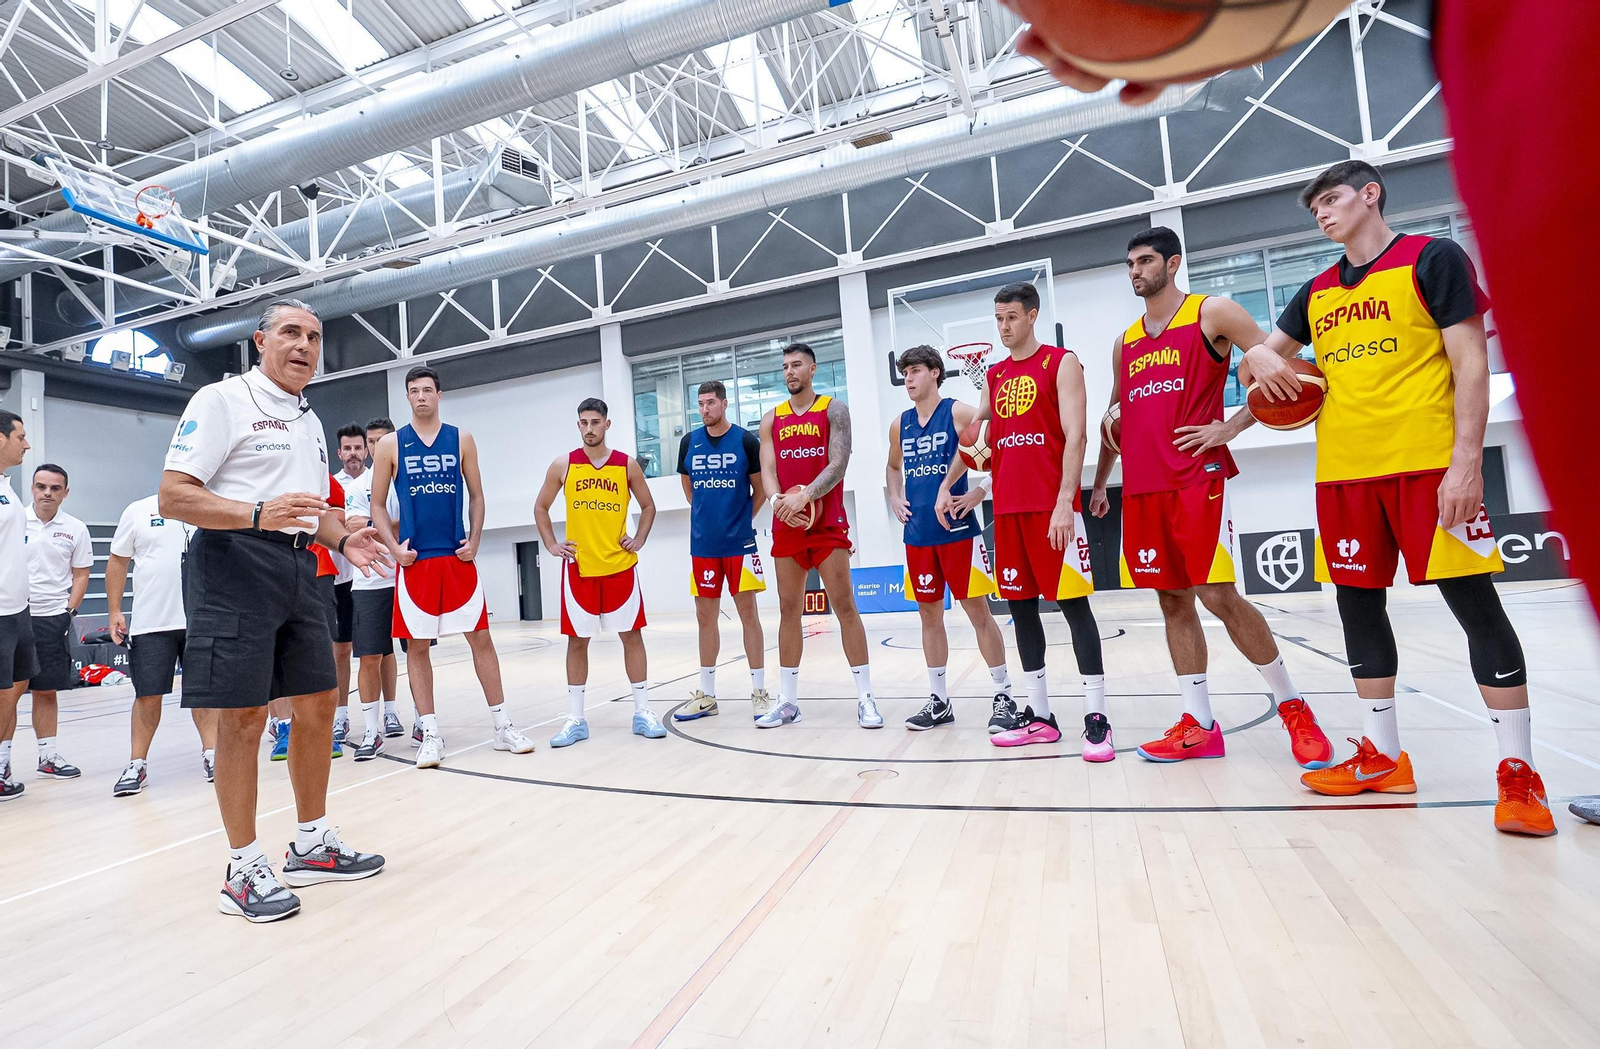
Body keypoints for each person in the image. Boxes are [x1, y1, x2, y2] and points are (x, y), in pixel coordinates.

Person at [1237, 161, 1549, 836]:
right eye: (1314, 207)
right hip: (1345, 474)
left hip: (1429, 465)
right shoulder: (1315, 291)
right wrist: (1258, 358)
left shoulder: (1432, 259)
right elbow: (1259, 361)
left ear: (1369, 194)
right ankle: (1381, 757)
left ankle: (1519, 774)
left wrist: (1467, 462)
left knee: (1476, 607)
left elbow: (1471, 363)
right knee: (1358, 611)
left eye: (1331, 200)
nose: (1321, 214)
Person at [160, 298, 388, 922]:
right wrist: (254, 515)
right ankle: (241, 868)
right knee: (242, 720)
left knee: (319, 704)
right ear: (260, 341)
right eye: (290, 333)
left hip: (298, 568)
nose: (304, 346)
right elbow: (174, 495)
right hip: (232, 563)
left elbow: (311, 513)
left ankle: (311, 842)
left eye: (314, 337)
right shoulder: (221, 400)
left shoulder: (310, 420)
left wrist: (343, 537)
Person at [1089, 227, 1333, 769]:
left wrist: (1231, 427)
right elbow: (1115, 417)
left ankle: (1294, 707)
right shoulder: (1125, 341)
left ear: (1173, 263)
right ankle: (1199, 723)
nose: (1135, 271)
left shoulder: (1213, 312)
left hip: (1198, 479)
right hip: (1145, 487)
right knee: (1172, 600)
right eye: (1129, 263)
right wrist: (1104, 479)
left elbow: (1277, 370)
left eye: (1145, 261)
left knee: (1217, 594)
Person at [939, 283, 1107, 752]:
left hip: (1052, 508)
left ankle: (1097, 715)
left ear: (1032, 315)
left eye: (1012, 317)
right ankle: (1040, 714)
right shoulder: (993, 376)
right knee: (1020, 609)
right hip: (1007, 510)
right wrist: (949, 486)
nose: (1004, 326)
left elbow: (1077, 437)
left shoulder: (1062, 362)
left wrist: (1063, 501)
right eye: (998, 319)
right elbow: (977, 439)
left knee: (1075, 608)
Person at [369, 366, 536, 769]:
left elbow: (477, 496)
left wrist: (475, 539)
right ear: (407, 397)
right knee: (418, 647)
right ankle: (430, 733)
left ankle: (502, 726)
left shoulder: (462, 438)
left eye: (428, 390)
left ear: (439, 395)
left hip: (457, 556)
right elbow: (376, 505)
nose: (421, 396)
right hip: (416, 562)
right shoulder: (391, 445)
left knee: (481, 639)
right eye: (414, 391)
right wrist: (393, 548)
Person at [886, 345, 1013, 732]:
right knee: (929, 616)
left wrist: (980, 491)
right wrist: (894, 495)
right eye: (905, 372)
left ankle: (1003, 693)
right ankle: (939, 700)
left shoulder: (957, 412)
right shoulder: (900, 424)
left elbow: (997, 450)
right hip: (918, 534)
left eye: (916, 370)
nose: (908, 378)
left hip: (958, 530)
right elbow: (892, 467)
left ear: (936, 373)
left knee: (978, 614)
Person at [757, 344, 881, 730]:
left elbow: (838, 462)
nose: (790, 371)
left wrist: (805, 496)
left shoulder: (832, 409)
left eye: (796, 365)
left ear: (812, 369)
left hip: (826, 524)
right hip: (786, 523)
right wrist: (779, 501)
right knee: (788, 610)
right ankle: (788, 701)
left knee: (845, 606)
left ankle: (865, 698)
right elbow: (768, 469)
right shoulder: (769, 418)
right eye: (785, 367)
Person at [534, 398, 664, 746]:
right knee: (577, 642)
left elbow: (649, 506)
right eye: (583, 422)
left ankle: (642, 711)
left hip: (620, 565)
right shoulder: (564, 464)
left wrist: (639, 538)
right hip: (580, 567)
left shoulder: (626, 465)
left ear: (607, 424)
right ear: (578, 426)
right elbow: (541, 507)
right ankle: (576, 719)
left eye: (595, 422)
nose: (589, 428)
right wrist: (550, 544)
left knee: (631, 636)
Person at [106, 493, 216, 795]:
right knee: (147, 695)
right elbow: (117, 561)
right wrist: (115, 610)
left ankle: (213, 755)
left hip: (201, 620)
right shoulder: (138, 509)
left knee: (204, 695)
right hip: (151, 622)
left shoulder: (210, 507)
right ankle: (136, 763)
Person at [675, 381, 770, 722]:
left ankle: (759, 691)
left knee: (749, 616)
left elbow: (760, 488)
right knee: (705, 618)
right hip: (702, 545)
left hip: (739, 544)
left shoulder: (746, 440)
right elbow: (689, 489)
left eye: (711, 402)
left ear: (724, 404)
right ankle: (708, 695)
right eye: (700, 403)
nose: (705, 409)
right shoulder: (689, 442)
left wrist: (742, 518)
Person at [268, 472, 348, 763]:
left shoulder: (316, 468)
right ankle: (284, 727)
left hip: (316, 568)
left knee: (319, 651)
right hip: (265, 567)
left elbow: (337, 514)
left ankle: (320, 727)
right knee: (272, 650)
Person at [22, 463, 92, 779]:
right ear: (32, 488)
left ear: (65, 493)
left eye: (54, 488)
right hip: (13, 616)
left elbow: (80, 574)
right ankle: (2, 762)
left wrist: (69, 612)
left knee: (46, 690)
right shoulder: (12, 519)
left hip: (52, 619)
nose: (47, 493)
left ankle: (48, 756)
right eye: (41, 486)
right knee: (6, 691)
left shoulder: (75, 528)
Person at [342, 419, 403, 759]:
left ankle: (421, 721)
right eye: (371, 442)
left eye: (382, 441)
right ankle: (371, 731)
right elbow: (354, 528)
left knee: (417, 651)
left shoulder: (406, 479)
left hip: (407, 576)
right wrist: (386, 524)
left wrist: (372, 522)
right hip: (369, 580)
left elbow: (413, 521)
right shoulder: (356, 487)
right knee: (369, 656)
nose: (375, 447)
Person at [0, 410, 35, 801]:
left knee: (15, 686)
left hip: (17, 610)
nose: (27, 444)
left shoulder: (7, 487)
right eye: (20, 436)